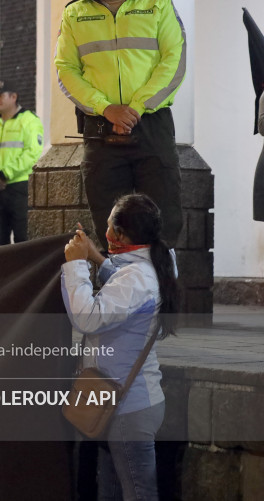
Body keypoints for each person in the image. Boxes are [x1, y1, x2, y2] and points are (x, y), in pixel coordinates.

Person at [55, 0, 186, 249]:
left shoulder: (158, 2)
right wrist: (106, 108)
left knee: (162, 218)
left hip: (151, 124)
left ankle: (162, 293)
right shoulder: (74, 13)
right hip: (100, 129)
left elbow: (174, 61)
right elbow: (65, 70)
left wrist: (136, 108)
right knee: (109, 221)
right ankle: (119, 293)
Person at [62, 193, 178, 500]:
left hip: (128, 408)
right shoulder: (149, 265)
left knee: (139, 494)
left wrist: (75, 266)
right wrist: (95, 257)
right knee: (111, 493)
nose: (105, 230)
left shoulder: (138, 277)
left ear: (121, 235)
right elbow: (124, 290)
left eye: (111, 224)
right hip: (118, 401)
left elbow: (87, 318)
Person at [0, 79, 44, 246]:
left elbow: (32, 152)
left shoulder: (29, 120)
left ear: (14, 96)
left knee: (23, 239)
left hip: (20, 188)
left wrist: (3, 174)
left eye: (0, 95)